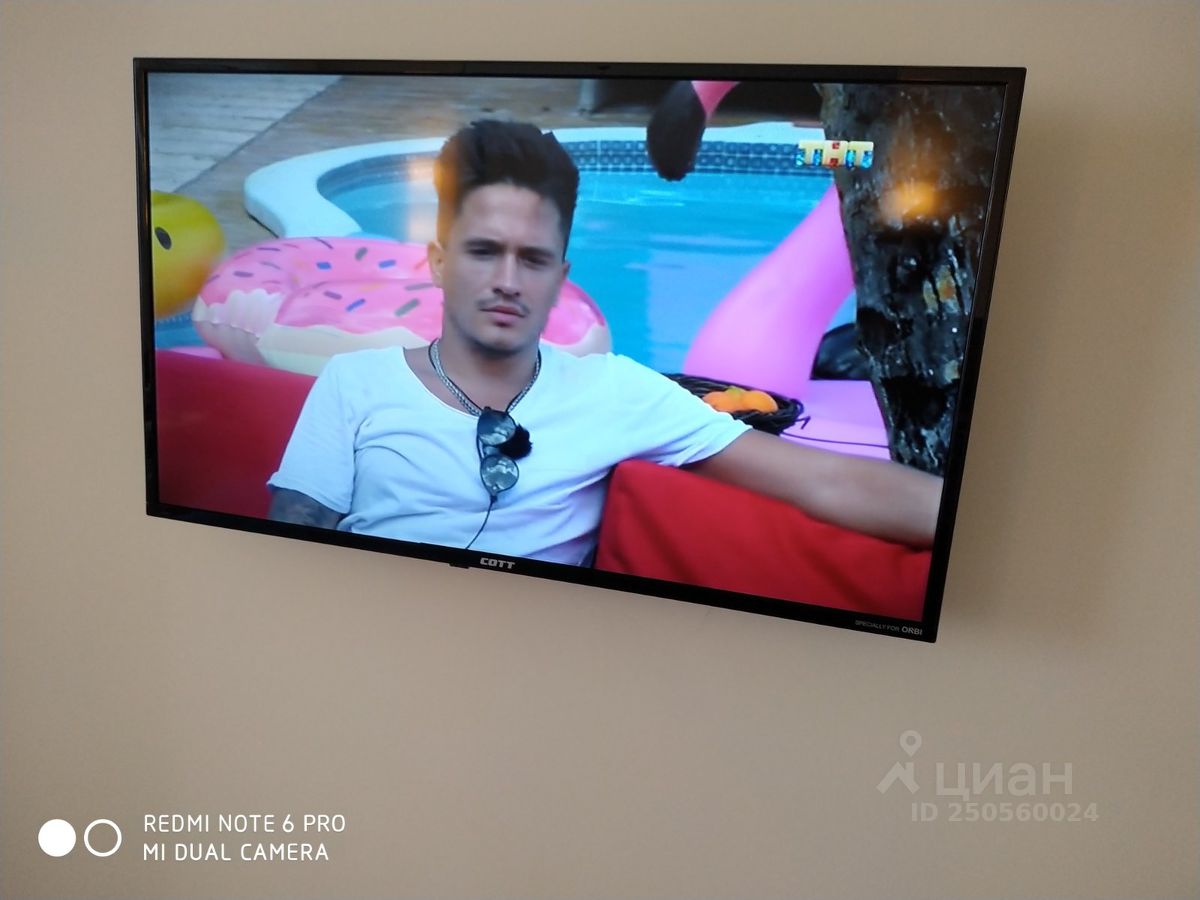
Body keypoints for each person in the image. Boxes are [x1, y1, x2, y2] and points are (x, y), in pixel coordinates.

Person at [267, 119, 942, 565]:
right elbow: (293, 555)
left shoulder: (616, 392)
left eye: (533, 259)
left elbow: (824, 479)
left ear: (560, 278)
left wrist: (976, 530)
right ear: (439, 262)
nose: (508, 281)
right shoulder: (356, 383)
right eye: (484, 252)